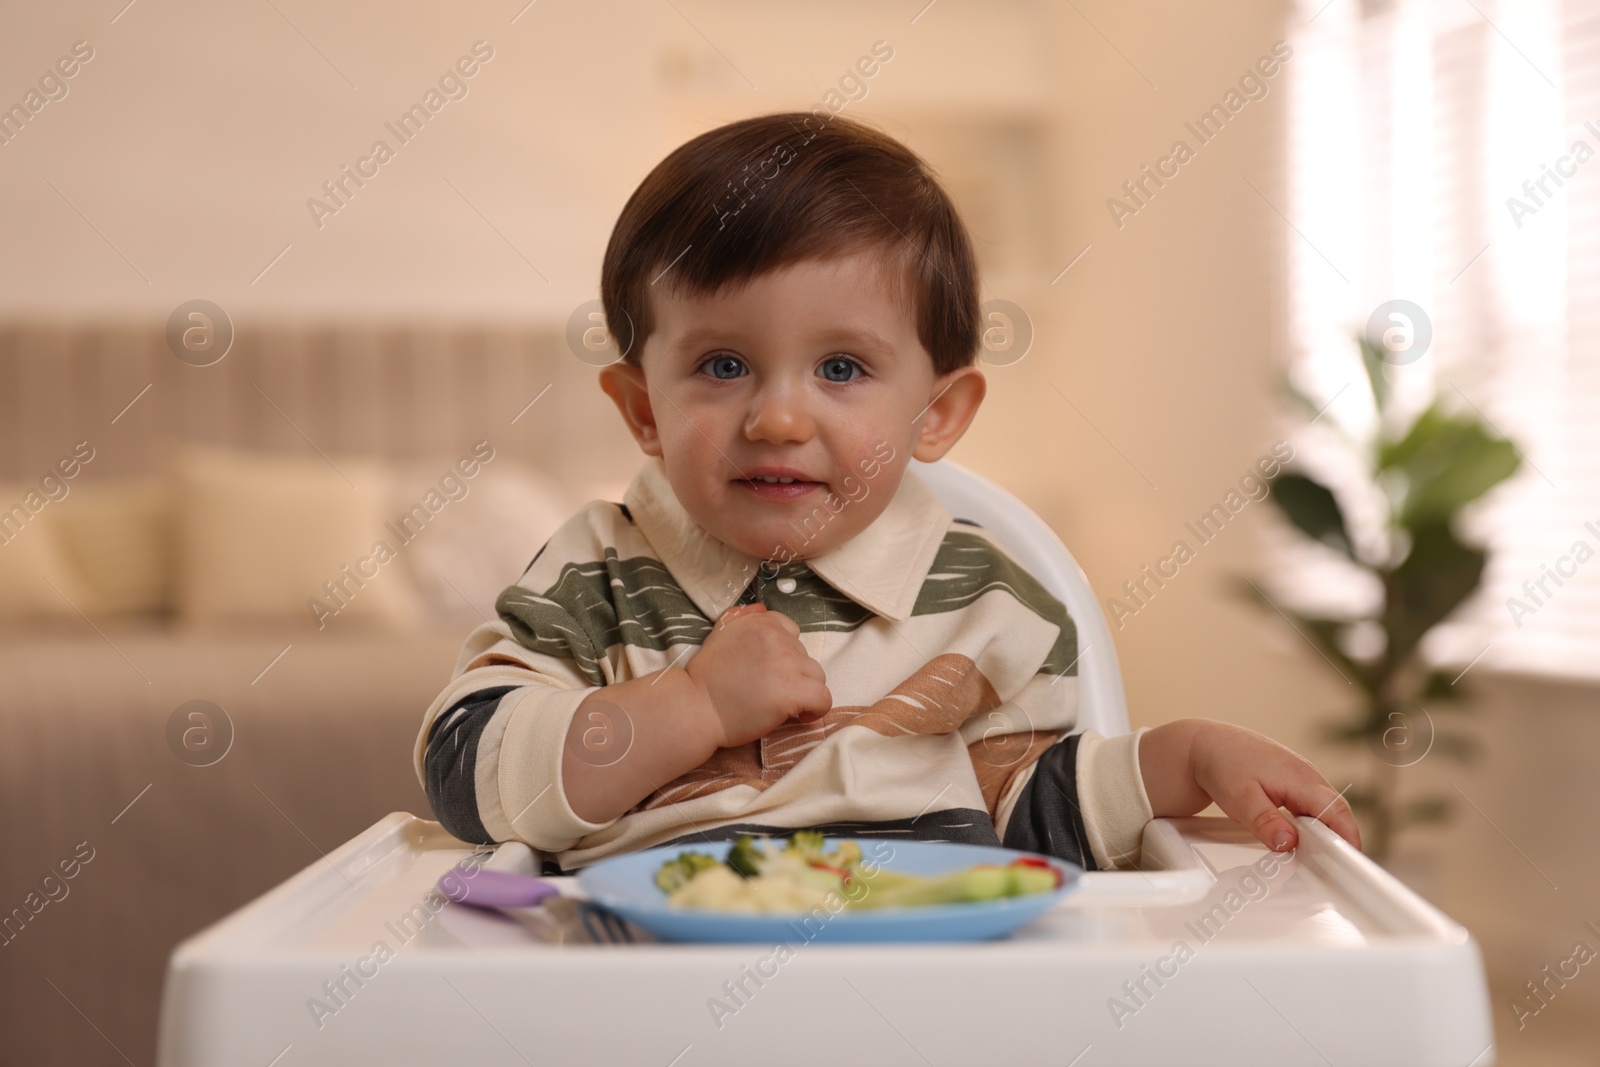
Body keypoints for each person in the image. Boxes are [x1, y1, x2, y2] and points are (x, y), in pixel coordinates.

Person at [412, 111, 1361, 875]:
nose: (778, 417)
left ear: (937, 413)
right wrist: (690, 705)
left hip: (929, 993)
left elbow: (1035, 815)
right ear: (642, 408)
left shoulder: (992, 603)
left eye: (841, 366)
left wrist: (1183, 759)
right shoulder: (596, 573)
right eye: (724, 362)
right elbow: (468, 770)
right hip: (642, 987)